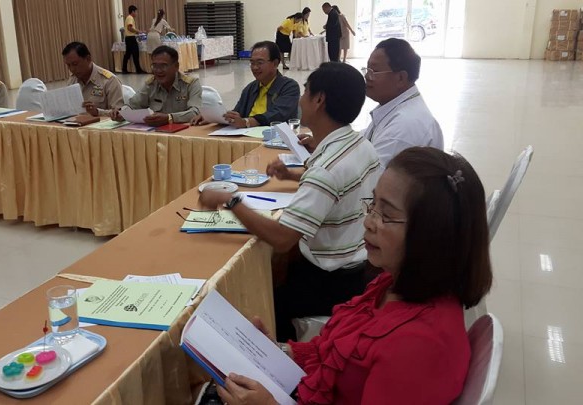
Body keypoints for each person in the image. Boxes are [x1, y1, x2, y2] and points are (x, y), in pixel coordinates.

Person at [215, 147, 493, 405]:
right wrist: (277, 352)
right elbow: (337, 354)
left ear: (431, 237)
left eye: (386, 215)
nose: (368, 222)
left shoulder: (418, 345)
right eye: (373, 205)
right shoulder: (392, 283)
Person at [199, 62, 381, 341]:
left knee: (252, 302)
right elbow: (338, 187)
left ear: (319, 100)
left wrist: (231, 201)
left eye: (306, 92)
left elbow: (283, 238)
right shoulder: (361, 145)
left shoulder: (326, 169)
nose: (300, 100)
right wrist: (293, 175)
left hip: (328, 283)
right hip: (356, 269)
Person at [360, 38, 444, 166]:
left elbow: (371, 175)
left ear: (401, 78)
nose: (367, 77)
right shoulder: (396, 106)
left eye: (374, 71)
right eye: (367, 70)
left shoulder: (404, 127)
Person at [191, 41, 300, 128]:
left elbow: (277, 114)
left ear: (275, 63)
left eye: (260, 63)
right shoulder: (251, 88)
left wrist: (247, 122)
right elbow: (237, 113)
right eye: (252, 63)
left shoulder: (289, 86)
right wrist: (212, 117)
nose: (255, 67)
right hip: (246, 136)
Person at [112, 45, 201, 126]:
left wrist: (169, 118)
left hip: (184, 133)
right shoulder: (151, 84)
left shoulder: (191, 84)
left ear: (176, 66)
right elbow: (133, 104)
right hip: (156, 133)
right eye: (154, 66)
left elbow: (195, 112)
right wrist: (122, 112)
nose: (158, 71)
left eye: (163, 66)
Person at [62, 41, 124, 117]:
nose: (72, 69)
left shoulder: (109, 80)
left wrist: (98, 112)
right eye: (68, 65)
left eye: (75, 64)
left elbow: (119, 114)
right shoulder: (72, 80)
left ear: (88, 59)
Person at [122, 5, 144, 74]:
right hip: (131, 38)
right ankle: (138, 70)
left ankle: (124, 69)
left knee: (128, 54)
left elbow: (130, 28)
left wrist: (137, 32)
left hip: (128, 38)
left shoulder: (128, 18)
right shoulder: (130, 18)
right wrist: (138, 31)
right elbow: (129, 28)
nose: (136, 13)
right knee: (135, 54)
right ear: (132, 11)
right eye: (136, 12)